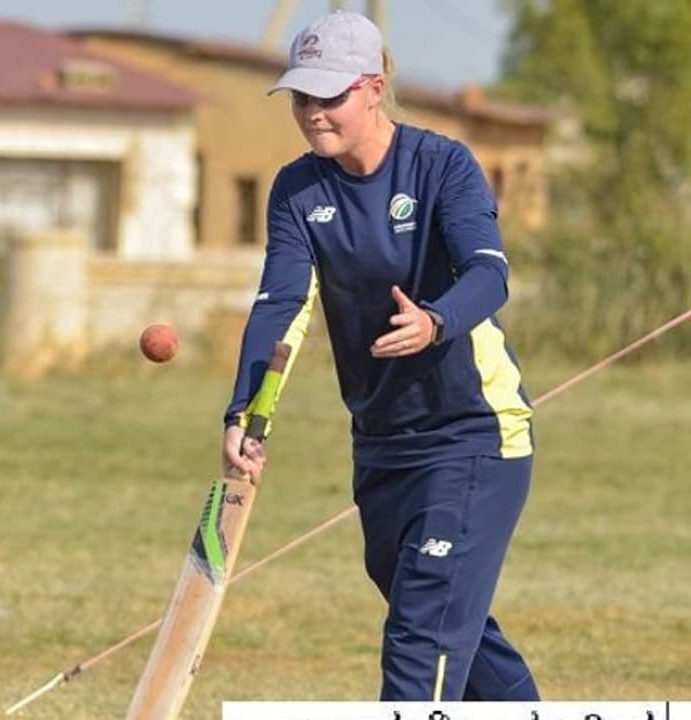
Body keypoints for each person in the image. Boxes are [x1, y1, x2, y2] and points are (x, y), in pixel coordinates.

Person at [222, 11, 540, 702]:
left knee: (421, 630)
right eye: (301, 97)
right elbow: (282, 305)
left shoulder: (442, 165)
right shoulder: (298, 190)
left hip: (475, 434)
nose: (311, 113)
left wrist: (434, 321)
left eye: (328, 95)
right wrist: (247, 411)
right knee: (446, 616)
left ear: (374, 86)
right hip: (383, 439)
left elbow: (490, 274)